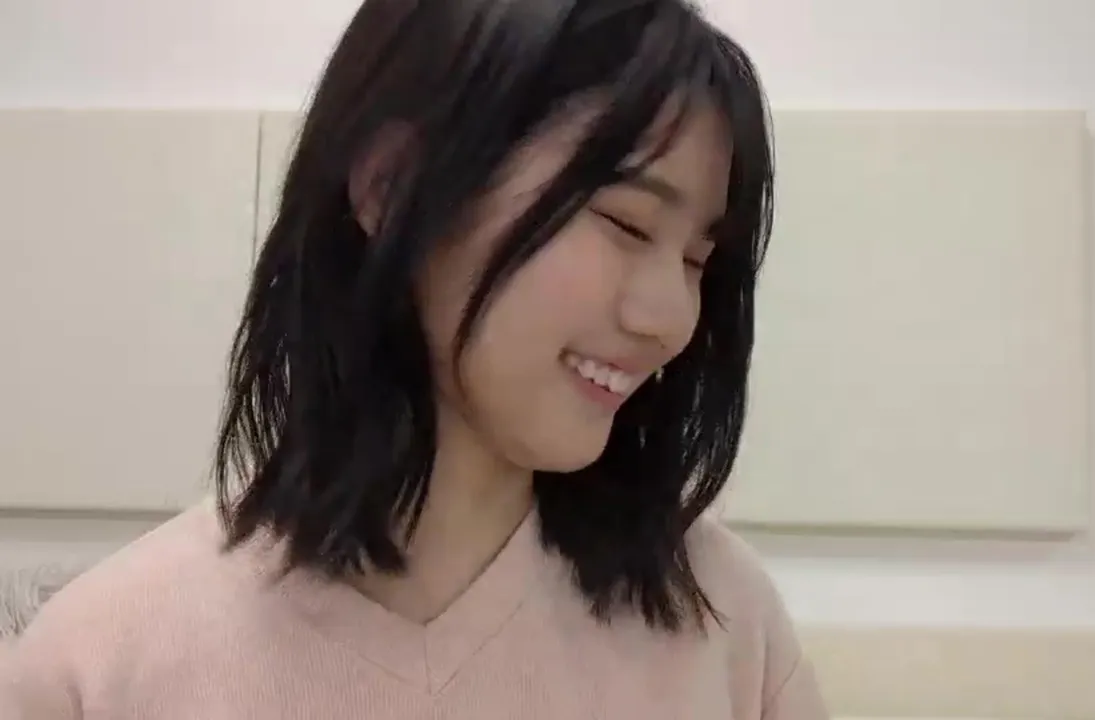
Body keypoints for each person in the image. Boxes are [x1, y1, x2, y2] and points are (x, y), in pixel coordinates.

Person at [2, 0, 829, 717]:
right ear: (392, 185)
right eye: (626, 224)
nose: (670, 318)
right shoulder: (99, 668)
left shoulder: (722, 622)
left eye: (697, 260)